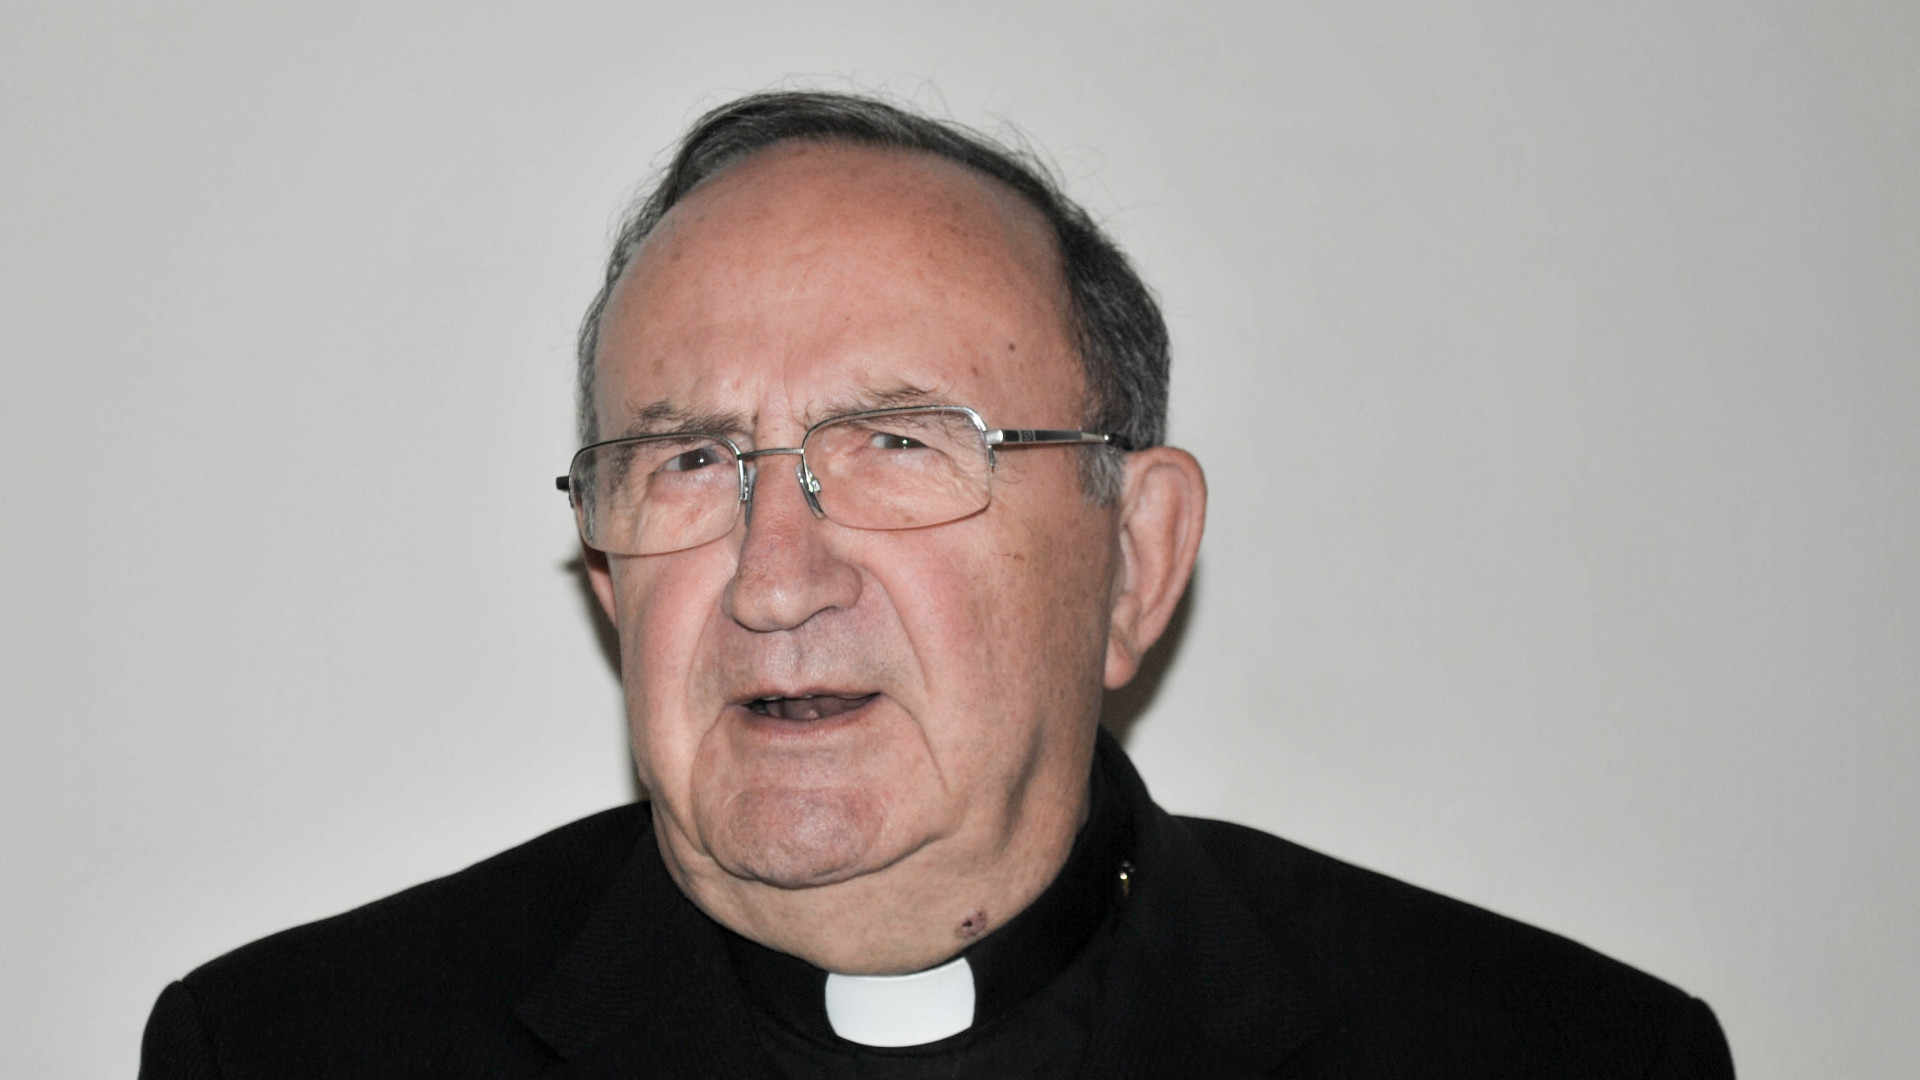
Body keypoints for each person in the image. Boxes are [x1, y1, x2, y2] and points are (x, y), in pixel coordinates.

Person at [139, 91, 1735, 1079]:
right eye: (689, 462)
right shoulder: (289, 1049)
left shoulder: (1559, 1056)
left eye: (897, 445)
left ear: (1137, 563)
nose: (774, 582)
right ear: (612, 579)